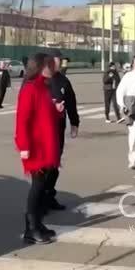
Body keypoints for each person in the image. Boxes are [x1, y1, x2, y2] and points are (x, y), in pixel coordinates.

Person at [15, 53, 64, 244]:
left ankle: (37, 223)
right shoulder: (30, 88)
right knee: (37, 186)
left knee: (42, 185)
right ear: (39, 67)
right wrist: (24, 146)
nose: (52, 68)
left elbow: (45, 114)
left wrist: (56, 111)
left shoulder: (44, 87)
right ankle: (31, 228)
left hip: (46, 144)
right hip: (35, 146)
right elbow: (22, 120)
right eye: (49, 65)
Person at [45, 49, 80, 211]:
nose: (61, 62)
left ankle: (49, 196)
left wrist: (74, 123)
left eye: (61, 60)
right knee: (45, 166)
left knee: (55, 164)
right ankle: (40, 199)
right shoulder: (40, 80)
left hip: (58, 128)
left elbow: (71, 103)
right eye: (58, 59)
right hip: (43, 130)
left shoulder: (63, 80)